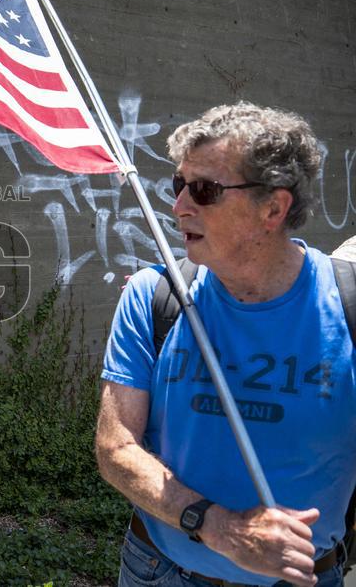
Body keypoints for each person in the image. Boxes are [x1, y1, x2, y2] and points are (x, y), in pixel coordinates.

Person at [95, 102, 355, 587]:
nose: (178, 207)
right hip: (159, 569)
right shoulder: (156, 294)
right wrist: (219, 528)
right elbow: (116, 447)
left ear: (273, 208)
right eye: (179, 186)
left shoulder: (347, 305)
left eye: (205, 190)